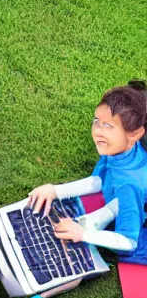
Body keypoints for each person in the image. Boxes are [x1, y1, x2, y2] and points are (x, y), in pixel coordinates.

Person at [28, 81, 147, 263]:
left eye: (108, 126)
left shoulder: (129, 185)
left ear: (135, 134)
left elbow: (129, 242)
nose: (97, 131)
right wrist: (54, 190)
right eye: (96, 121)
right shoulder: (121, 149)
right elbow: (98, 181)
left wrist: (83, 234)